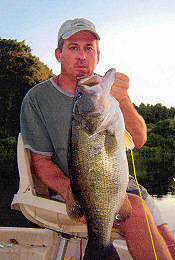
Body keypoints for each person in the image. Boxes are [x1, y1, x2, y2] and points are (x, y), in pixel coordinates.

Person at [20, 18, 174, 259]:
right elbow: (40, 163)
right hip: (78, 189)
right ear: (58, 54)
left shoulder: (107, 90)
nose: (82, 56)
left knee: (171, 245)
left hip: (122, 183)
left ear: (98, 55)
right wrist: (78, 196)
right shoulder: (37, 98)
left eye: (89, 48)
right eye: (73, 48)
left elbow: (139, 138)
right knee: (137, 214)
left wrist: (123, 100)